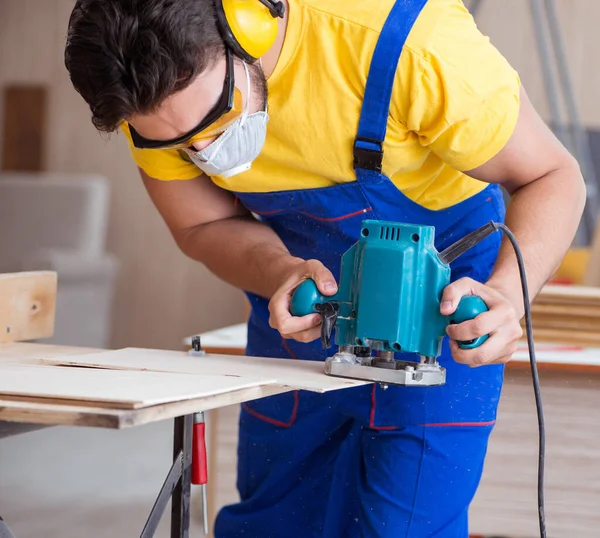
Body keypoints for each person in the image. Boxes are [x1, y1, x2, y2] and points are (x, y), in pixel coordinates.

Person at [64, 0, 585, 535]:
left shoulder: (416, 49)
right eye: (176, 144)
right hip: (301, 319)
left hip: (441, 319)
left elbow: (553, 175)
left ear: (248, 22)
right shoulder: (148, 100)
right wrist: (278, 273)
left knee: (402, 525)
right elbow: (200, 225)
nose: (202, 149)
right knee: (275, 523)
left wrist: (506, 296)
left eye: (217, 118)